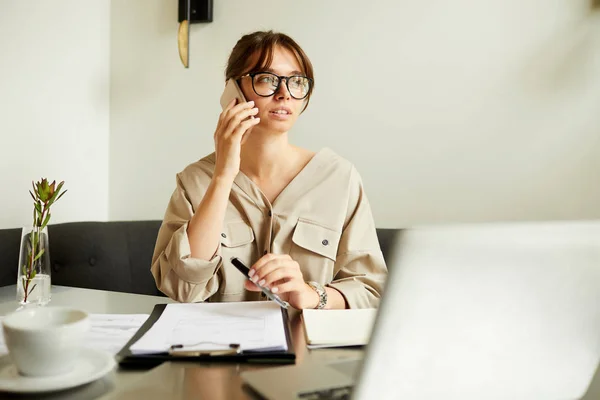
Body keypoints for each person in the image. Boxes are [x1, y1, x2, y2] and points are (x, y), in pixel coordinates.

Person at [151, 30, 387, 309]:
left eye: (297, 81)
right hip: (219, 347)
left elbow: (371, 290)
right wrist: (224, 176)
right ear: (233, 91)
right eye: (267, 79)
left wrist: (311, 295)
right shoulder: (196, 181)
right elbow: (181, 288)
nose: (284, 93)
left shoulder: (339, 178)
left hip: (306, 348)